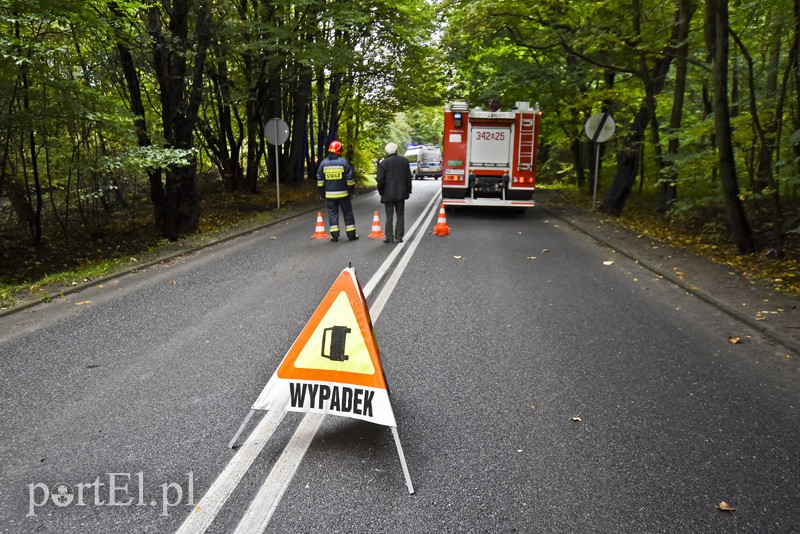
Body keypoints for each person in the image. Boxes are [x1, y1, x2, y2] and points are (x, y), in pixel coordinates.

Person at [317, 140, 358, 242]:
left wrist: (322, 194)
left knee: (332, 214)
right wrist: (351, 193)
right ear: (338, 151)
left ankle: (334, 236)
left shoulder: (323, 163)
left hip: (330, 196)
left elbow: (320, 181)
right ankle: (351, 235)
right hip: (343, 194)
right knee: (347, 213)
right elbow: (350, 180)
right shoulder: (343, 162)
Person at [376, 142, 412, 244]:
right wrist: (408, 191)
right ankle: (399, 237)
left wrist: (381, 191)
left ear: (387, 151)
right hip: (401, 193)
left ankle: (389, 238)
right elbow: (408, 178)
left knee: (389, 216)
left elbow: (380, 180)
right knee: (400, 215)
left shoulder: (383, 163)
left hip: (388, 194)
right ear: (396, 150)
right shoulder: (404, 161)